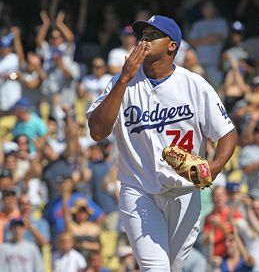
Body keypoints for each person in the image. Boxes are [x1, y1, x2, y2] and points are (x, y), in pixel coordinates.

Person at [87, 15, 237, 271]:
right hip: (139, 190)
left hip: (185, 191)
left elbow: (227, 133)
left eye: (153, 35)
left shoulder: (193, 85)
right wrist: (123, 79)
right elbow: (97, 132)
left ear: (172, 45)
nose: (144, 39)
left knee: (172, 267)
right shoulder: (121, 82)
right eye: (142, 34)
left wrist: (214, 167)